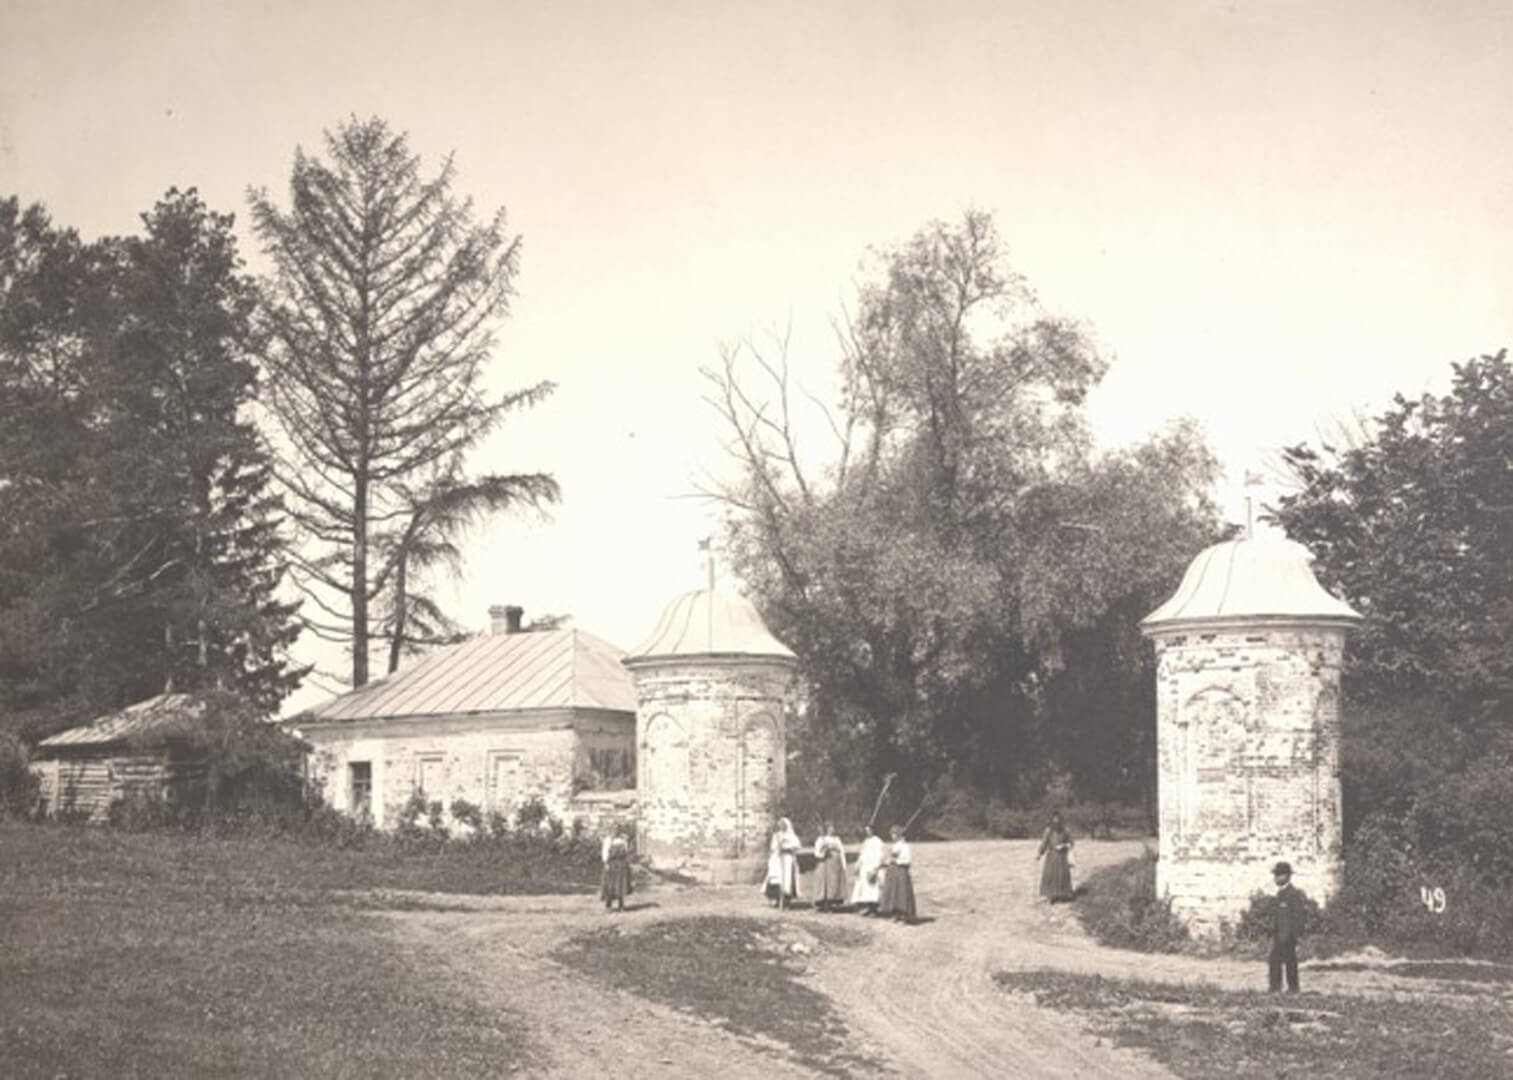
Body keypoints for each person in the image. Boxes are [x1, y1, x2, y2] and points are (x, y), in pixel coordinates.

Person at [1269, 860, 1306, 992]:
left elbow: (1298, 917)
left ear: (1287, 876)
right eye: (1275, 875)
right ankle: (1278, 987)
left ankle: (1291, 988)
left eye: (1279, 875)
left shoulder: (1293, 894)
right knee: (1276, 961)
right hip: (1280, 935)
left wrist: (1296, 936)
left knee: (1288, 961)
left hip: (1288, 935)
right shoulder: (1281, 894)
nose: (1276, 878)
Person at [877, 824, 917, 923]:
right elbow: (890, 857)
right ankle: (896, 913)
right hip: (893, 871)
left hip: (901, 871)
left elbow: (907, 860)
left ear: (899, 835)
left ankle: (904, 915)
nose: (892, 836)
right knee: (893, 892)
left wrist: (897, 860)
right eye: (892, 834)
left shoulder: (905, 846)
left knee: (902, 892)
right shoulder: (895, 845)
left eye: (894, 834)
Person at [764, 817, 802, 908]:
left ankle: (787, 900)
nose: (782, 827)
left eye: (783, 825)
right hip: (778, 859)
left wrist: (788, 847)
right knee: (777, 879)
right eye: (780, 825)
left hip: (788, 858)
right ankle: (777, 899)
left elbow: (797, 846)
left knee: (787, 879)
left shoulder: (792, 836)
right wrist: (778, 847)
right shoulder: (777, 835)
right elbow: (773, 847)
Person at [1037, 811, 1075, 903]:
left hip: (1062, 857)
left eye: (1058, 819)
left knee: (1062, 875)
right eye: (1054, 819)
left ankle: (1062, 894)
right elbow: (1044, 843)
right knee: (1050, 875)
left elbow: (1071, 843)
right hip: (1051, 856)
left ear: (1061, 820)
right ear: (1051, 820)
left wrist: (1064, 846)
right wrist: (1040, 853)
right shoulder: (1048, 831)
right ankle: (1051, 896)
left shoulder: (1065, 830)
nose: (1056, 821)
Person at [812, 821, 848, 911]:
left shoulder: (837, 839)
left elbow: (842, 851)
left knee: (834, 883)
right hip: (825, 863)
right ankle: (824, 903)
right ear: (826, 829)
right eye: (830, 828)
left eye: (833, 828)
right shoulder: (821, 839)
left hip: (835, 863)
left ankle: (833, 901)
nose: (832, 830)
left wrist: (843, 864)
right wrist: (824, 850)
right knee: (825, 883)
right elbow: (817, 852)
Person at [850, 823, 885, 916]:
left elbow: (880, 856)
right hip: (864, 867)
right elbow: (862, 854)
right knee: (865, 888)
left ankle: (874, 908)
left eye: (869, 830)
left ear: (873, 831)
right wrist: (858, 864)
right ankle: (867, 907)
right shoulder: (866, 842)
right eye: (866, 831)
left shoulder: (878, 841)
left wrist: (875, 868)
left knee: (873, 888)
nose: (868, 832)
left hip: (873, 867)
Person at [599, 825, 633, 913]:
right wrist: (606, 863)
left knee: (621, 885)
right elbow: (605, 852)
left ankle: (621, 905)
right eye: (614, 830)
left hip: (621, 864)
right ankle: (608, 905)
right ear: (611, 830)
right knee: (610, 885)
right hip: (611, 864)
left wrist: (627, 863)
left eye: (618, 830)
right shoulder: (608, 840)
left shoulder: (623, 840)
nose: (616, 831)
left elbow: (626, 852)